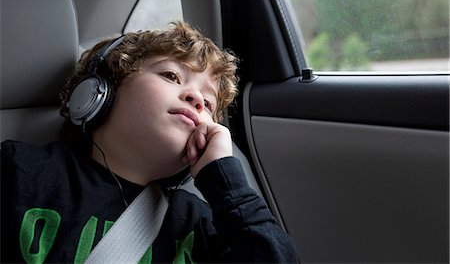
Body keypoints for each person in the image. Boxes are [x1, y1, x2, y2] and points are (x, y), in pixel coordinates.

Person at [1, 22, 298, 263]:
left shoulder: (200, 222)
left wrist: (225, 180)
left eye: (208, 103)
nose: (196, 99)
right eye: (171, 75)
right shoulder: (19, 171)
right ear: (98, 93)